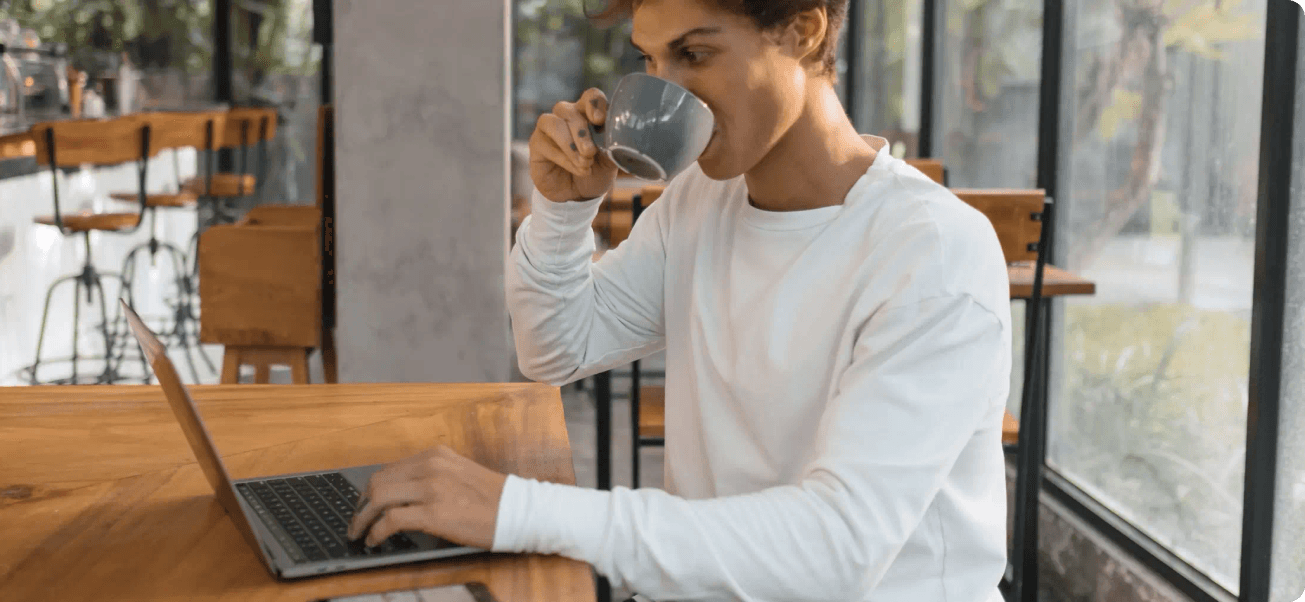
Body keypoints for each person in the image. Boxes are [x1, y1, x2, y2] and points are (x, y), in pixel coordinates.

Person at [347, 0, 1013, 599]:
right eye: (649, 59)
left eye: (695, 54)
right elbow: (555, 348)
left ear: (804, 33)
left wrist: (518, 511)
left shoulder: (934, 252)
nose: (664, 89)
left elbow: (836, 549)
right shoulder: (701, 201)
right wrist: (562, 211)